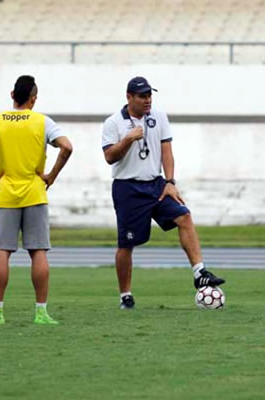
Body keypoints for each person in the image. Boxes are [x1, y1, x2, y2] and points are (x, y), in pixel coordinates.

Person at [101, 76, 225, 309]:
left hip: (156, 184)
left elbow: (167, 151)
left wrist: (170, 181)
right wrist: (128, 139)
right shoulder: (113, 123)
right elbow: (109, 157)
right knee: (126, 245)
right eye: (142, 96)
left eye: (150, 95)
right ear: (129, 97)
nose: (148, 100)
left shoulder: (158, 116)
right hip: (127, 188)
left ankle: (199, 273)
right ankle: (125, 295)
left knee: (184, 215)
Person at [0, 75, 73, 325]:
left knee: (1, 252)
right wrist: (51, 176)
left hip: (5, 192)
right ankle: (41, 312)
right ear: (33, 99)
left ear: (12, 95)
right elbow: (66, 147)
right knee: (38, 252)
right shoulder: (42, 122)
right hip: (35, 191)